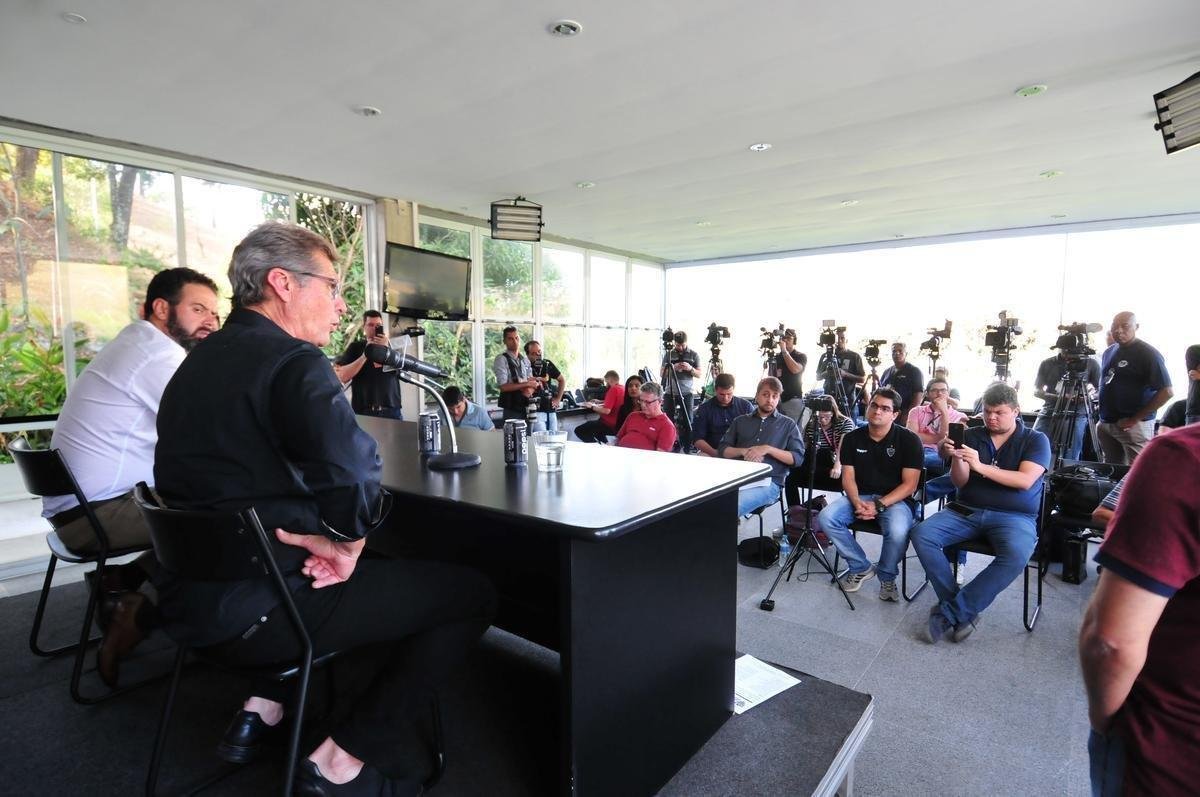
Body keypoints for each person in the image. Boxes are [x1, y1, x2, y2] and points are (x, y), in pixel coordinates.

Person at [153, 222, 495, 794]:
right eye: (332, 287)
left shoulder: (194, 365)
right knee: (473, 594)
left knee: (382, 568)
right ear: (282, 283)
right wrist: (345, 543)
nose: (340, 307)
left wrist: (336, 540)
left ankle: (260, 708)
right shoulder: (293, 361)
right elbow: (357, 475)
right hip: (267, 609)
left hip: (191, 599)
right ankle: (343, 762)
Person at [44, 266, 220, 686]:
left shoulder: (136, 343)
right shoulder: (158, 355)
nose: (211, 321)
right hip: (95, 517)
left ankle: (123, 578)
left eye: (214, 312)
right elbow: (210, 429)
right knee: (225, 523)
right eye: (198, 309)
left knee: (202, 501)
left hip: (79, 509)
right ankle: (141, 612)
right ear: (162, 308)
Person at [1079, 424, 1200, 796]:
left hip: (1164, 749)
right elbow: (1102, 511)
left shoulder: (1183, 458)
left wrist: (1104, 722)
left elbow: (1110, 642)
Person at [911, 382, 1051, 643]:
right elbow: (960, 482)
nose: (991, 418)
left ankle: (950, 612)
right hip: (966, 509)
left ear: (1016, 411)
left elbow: (1024, 480)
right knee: (922, 533)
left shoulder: (1035, 439)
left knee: (1018, 554)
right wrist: (957, 459)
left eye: (999, 412)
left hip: (1014, 516)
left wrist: (980, 465)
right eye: (987, 412)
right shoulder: (973, 435)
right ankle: (961, 608)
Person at [816, 387, 923, 601]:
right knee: (826, 517)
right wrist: (856, 502)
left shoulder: (909, 440)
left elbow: (910, 485)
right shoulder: (852, 438)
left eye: (885, 408)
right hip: (860, 496)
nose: (877, 411)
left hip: (896, 500)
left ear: (895, 415)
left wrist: (879, 505)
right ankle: (860, 566)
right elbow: (848, 477)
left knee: (898, 529)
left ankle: (887, 576)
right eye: (874, 405)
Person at [719, 377, 805, 517]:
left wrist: (768, 449)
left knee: (730, 507)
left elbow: (798, 458)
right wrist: (744, 451)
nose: (770, 400)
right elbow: (723, 451)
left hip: (770, 482)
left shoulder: (788, 424)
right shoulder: (740, 421)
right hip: (738, 479)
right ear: (757, 395)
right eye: (765, 395)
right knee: (706, 502)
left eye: (774, 396)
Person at [1096, 311, 1172, 465]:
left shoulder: (1149, 354)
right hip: (1106, 423)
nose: (1118, 330)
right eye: (1114, 326)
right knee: (1111, 473)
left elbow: (1167, 391)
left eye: (1125, 326)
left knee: (1138, 475)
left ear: (1136, 327)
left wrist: (1134, 419)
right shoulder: (1109, 352)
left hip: (1133, 427)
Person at [1031, 348, 1101, 461]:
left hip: (1078, 413)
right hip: (1050, 410)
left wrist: (1086, 397)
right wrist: (1059, 398)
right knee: (1034, 444)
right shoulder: (1047, 363)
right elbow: (1037, 391)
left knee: (1071, 454)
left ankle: (1067, 475)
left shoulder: (1090, 363)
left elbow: (1099, 389)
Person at [785, 396, 856, 506]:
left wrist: (837, 465)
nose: (822, 420)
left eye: (826, 416)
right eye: (820, 417)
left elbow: (844, 447)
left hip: (837, 464)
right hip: (817, 463)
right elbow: (805, 447)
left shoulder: (845, 423)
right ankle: (795, 511)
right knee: (790, 477)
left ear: (833, 412)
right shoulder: (812, 424)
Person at [333, 310, 403, 419]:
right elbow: (341, 376)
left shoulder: (392, 347)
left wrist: (384, 349)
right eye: (370, 325)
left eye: (378, 325)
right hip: (364, 411)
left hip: (391, 409)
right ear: (364, 328)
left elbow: (398, 369)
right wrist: (365, 354)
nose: (375, 328)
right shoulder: (355, 348)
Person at [907, 378, 968, 476]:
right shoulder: (916, 411)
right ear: (927, 394)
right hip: (917, 449)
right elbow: (912, 437)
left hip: (942, 454)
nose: (939, 393)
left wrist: (944, 411)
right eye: (934, 390)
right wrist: (939, 438)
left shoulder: (960, 416)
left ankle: (924, 489)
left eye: (943, 390)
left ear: (948, 393)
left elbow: (951, 441)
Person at [691, 373, 753, 457]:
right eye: (722, 394)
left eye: (729, 394)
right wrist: (716, 453)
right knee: (701, 456)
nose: (726, 398)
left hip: (740, 451)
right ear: (715, 390)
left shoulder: (746, 406)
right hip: (712, 451)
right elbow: (697, 439)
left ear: (733, 389)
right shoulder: (704, 409)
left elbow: (755, 432)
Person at [492, 326, 542, 427]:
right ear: (504, 341)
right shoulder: (501, 359)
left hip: (527, 405)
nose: (514, 341)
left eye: (516, 338)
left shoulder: (525, 359)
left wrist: (533, 387)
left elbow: (531, 380)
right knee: (513, 438)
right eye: (510, 339)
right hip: (512, 408)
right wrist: (527, 384)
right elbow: (503, 386)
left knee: (528, 438)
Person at [661, 331, 701, 449]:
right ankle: (670, 444)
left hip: (687, 392)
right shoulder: (668, 354)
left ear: (686, 342)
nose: (680, 347)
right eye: (678, 345)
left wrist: (690, 369)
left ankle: (688, 446)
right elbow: (662, 373)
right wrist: (673, 367)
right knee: (668, 419)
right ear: (674, 343)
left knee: (688, 419)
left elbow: (699, 374)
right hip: (670, 391)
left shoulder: (694, 355)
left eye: (682, 345)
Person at [816, 328, 866, 421]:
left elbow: (862, 379)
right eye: (836, 338)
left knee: (849, 431)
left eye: (842, 338)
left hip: (848, 402)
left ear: (846, 340)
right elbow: (818, 377)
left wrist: (845, 374)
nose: (839, 341)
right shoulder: (825, 356)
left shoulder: (854, 356)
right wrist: (826, 373)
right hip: (829, 401)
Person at [616, 381, 677, 452]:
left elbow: (660, 457)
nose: (643, 405)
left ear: (660, 402)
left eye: (648, 402)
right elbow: (618, 439)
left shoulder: (667, 426)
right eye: (641, 401)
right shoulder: (633, 415)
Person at [524, 339, 565, 432]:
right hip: (536, 411)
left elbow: (562, 380)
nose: (538, 354)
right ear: (528, 355)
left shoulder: (547, 364)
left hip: (551, 409)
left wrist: (558, 399)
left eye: (539, 351)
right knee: (541, 441)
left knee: (554, 440)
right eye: (534, 353)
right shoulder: (525, 367)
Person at [880, 342, 925, 426]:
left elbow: (919, 395)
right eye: (894, 351)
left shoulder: (914, 371)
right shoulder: (887, 372)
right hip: (887, 413)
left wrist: (909, 414)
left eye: (900, 351)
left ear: (906, 353)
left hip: (904, 414)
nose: (897, 353)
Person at [575, 370, 624, 443]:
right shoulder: (622, 388)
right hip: (617, 425)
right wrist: (600, 401)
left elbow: (607, 411)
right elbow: (616, 401)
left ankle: (596, 447)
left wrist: (591, 406)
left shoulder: (613, 389)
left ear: (610, 380)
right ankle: (604, 445)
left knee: (579, 430)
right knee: (595, 429)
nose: (606, 384)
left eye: (606, 382)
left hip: (608, 424)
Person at [771, 328, 808, 423]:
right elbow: (772, 377)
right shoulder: (777, 357)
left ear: (794, 340)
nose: (785, 340)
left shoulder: (800, 356)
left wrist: (784, 351)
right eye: (784, 338)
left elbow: (795, 369)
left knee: (793, 431)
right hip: (777, 399)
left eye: (788, 338)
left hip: (792, 399)